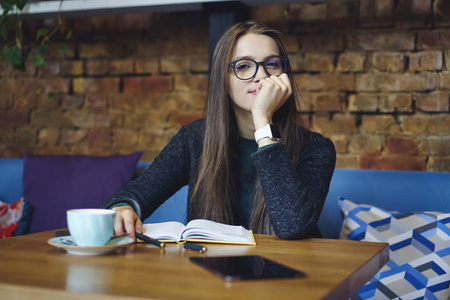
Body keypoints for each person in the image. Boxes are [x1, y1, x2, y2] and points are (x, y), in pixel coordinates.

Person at [101, 21, 336, 241]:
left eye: (272, 64)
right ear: (223, 80)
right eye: (244, 66)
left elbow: (292, 226)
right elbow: (133, 197)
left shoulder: (316, 148)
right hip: (211, 278)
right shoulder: (194, 140)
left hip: (291, 278)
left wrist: (263, 122)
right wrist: (122, 208)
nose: (262, 76)